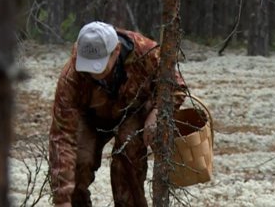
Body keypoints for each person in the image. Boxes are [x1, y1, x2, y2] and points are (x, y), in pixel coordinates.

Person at [49, 21, 186, 207]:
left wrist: (157, 112)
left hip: (133, 113)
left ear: (116, 50)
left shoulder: (146, 52)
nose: (92, 72)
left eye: (98, 65)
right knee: (78, 163)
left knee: (128, 159)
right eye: (87, 66)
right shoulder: (72, 75)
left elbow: (176, 87)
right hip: (90, 118)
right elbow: (62, 138)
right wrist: (62, 200)